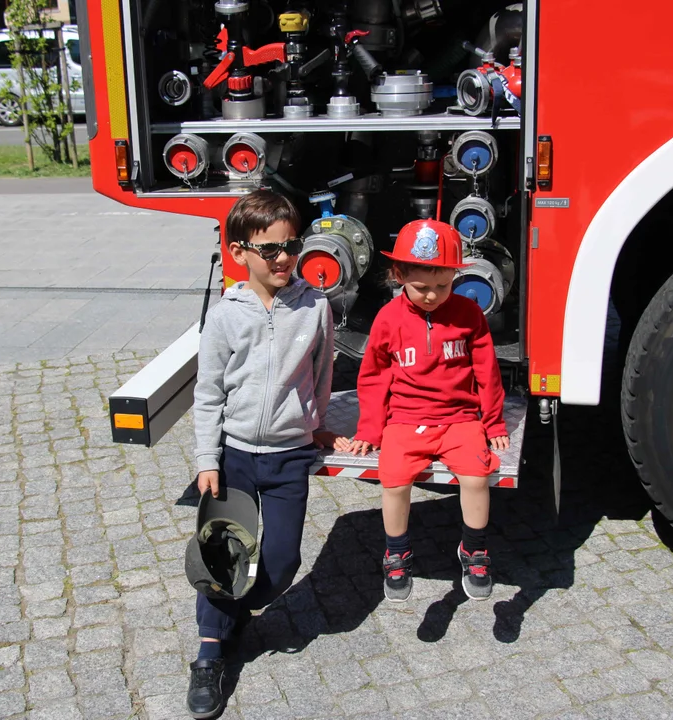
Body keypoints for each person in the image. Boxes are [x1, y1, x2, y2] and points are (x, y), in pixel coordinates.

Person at [188, 188, 335, 719]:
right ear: (239, 253)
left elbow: (320, 374)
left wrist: (313, 424)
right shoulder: (227, 316)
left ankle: (233, 615)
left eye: (290, 246)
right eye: (268, 249)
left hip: (289, 456)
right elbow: (207, 393)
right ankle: (208, 654)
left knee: (281, 562)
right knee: (221, 557)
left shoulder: (315, 307)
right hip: (236, 456)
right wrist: (208, 459)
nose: (282, 258)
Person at [336, 218, 509, 603]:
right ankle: (396, 553)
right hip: (405, 420)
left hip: (459, 419)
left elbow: (487, 371)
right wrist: (369, 430)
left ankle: (474, 550)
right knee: (394, 481)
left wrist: (493, 421)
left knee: (477, 477)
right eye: (422, 287)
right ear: (399, 275)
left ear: (455, 276)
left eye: (443, 286)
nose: (432, 296)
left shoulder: (469, 315)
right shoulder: (388, 319)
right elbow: (373, 377)